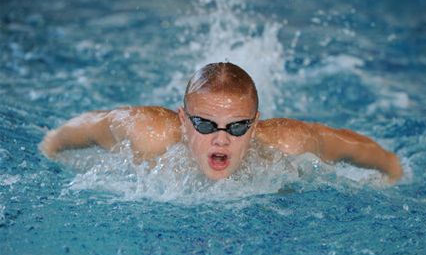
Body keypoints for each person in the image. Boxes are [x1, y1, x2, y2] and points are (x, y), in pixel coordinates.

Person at [40, 62, 403, 183]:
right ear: (183, 121)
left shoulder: (288, 143)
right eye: (204, 124)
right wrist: (51, 145)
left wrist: (393, 170)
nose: (221, 139)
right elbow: (90, 126)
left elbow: (346, 145)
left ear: (256, 125)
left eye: (237, 126)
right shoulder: (147, 132)